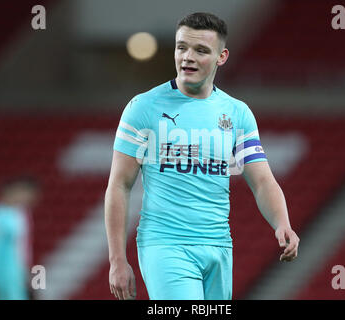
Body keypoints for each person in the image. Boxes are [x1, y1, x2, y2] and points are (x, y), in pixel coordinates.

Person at [105, 12, 299, 300]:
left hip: (219, 246)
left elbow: (262, 181)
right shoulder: (143, 108)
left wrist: (283, 222)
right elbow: (119, 185)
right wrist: (117, 260)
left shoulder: (237, 113)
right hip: (165, 245)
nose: (187, 57)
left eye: (201, 50)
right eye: (181, 47)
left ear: (222, 57)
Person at [0, 175, 40, 300]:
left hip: (18, 271)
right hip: (3, 272)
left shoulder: (21, 213)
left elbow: (23, 247)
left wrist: (26, 270)